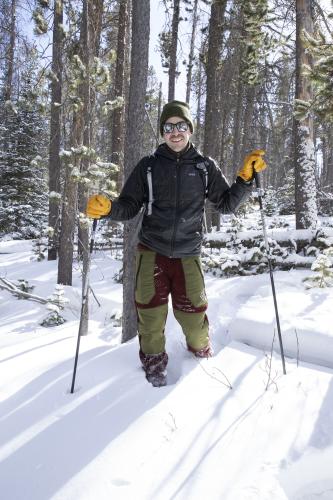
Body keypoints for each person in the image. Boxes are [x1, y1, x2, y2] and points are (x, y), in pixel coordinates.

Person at [86, 100, 266, 387]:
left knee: (194, 315)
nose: (175, 132)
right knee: (150, 315)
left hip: (187, 254)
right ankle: (153, 369)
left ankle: (201, 358)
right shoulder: (148, 166)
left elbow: (227, 204)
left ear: (190, 129)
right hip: (152, 252)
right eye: (169, 127)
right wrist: (107, 208)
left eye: (181, 126)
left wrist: (244, 179)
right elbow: (130, 205)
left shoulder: (205, 167)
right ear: (162, 131)